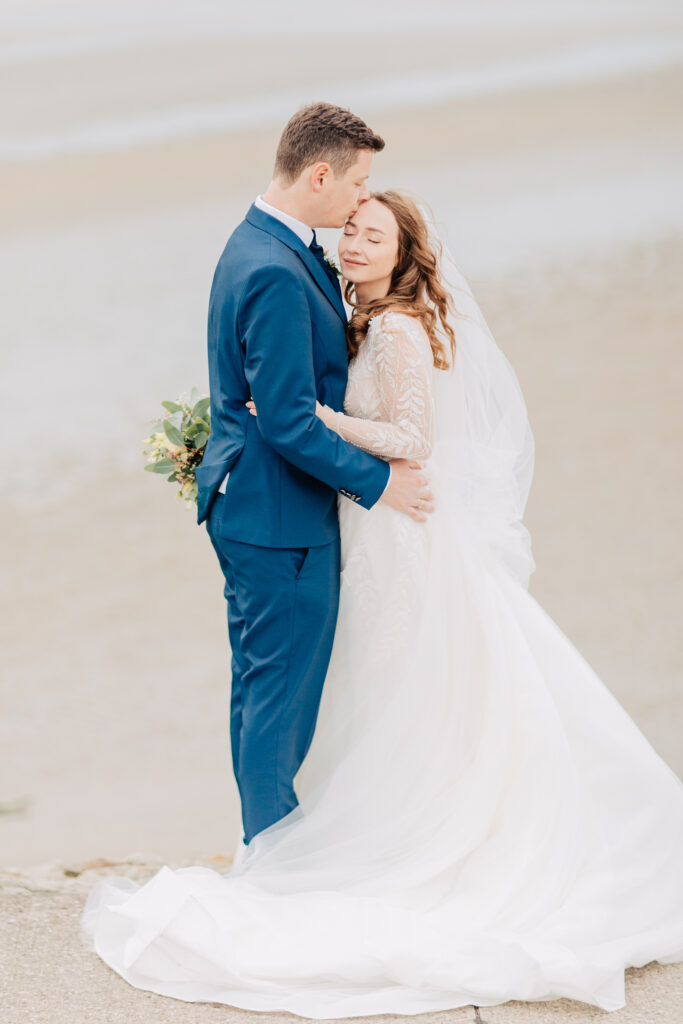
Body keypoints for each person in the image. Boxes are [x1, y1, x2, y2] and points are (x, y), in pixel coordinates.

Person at [81, 192, 683, 1017]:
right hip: (364, 531)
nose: (357, 245)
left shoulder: (395, 328)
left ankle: (355, 845)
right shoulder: (355, 313)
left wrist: (316, 417)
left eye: (375, 237)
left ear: (405, 257)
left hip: (396, 529)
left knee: (400, 681)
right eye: (352, 232)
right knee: (364, 686)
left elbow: (414, 438)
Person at [192, 102, 433, 846]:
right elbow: (290, 420)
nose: (363, 198)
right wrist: (380, 482)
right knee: (277, 700)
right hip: (279, 518)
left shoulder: (265, 243)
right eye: (358, 184)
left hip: (259, 509)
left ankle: (261, 852)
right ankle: (270, 866)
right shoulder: (272, 269)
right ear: (319, 173)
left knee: (261, 690)